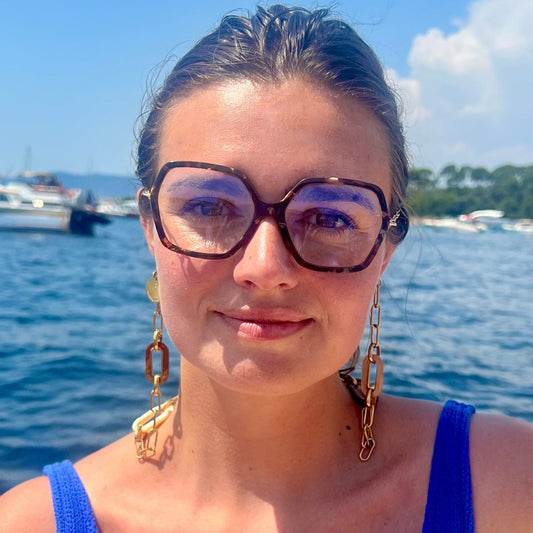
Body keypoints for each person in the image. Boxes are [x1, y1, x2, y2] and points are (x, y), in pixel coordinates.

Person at [1, 4, 531, 532]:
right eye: (209, 206)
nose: (264, 267)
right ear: (150, 226)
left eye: (329, 216)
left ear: (384, 249)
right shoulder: (33, 522)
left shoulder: (506, 484)